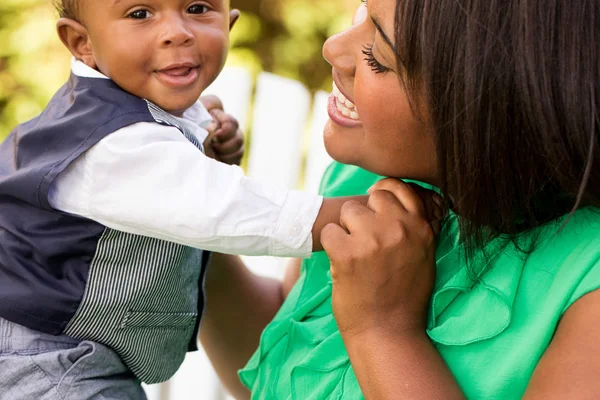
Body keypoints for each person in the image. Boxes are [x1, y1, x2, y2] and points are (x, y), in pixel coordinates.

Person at [200, 0, 600, 398]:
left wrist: (382, 331)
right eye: (361, 12)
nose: (334, 49)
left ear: (499, 104)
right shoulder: (363, 176)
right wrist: (200, 217)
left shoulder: (587, 288)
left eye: (377, 56)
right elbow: (285, 368)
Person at [0, 0, 369, 398]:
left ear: (229, 25)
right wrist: (360, 216)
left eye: (197, 8)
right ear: (81, 42)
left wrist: (201, 134)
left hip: (69, 351)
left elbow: (169, 151)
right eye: (140, 13)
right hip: (45, 359)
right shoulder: (114, 144)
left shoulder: (120, 109)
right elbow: (232, 210)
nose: (177, 31)